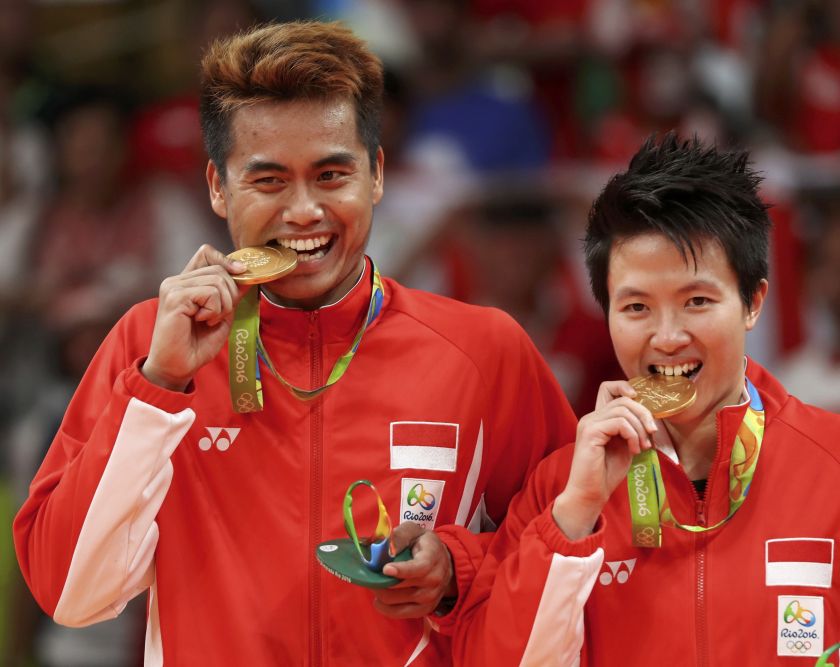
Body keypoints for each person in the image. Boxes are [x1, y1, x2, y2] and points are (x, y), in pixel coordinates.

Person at [12, 21, 577, 666]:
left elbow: (571, 552)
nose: (304, 210)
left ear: (376, 176)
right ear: (218, 187)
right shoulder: (151, 345)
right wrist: (159, 386)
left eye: (331, 175)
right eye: (269, 180)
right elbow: (69, 592)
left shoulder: (483, 350)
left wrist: (460, 568)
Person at [442, 133, 840, 665]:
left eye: (697, 301)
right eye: (636, 308)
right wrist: (574, 519)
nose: (667, 337)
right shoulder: (561, 489)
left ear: (752, 302)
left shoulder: (831, 466)